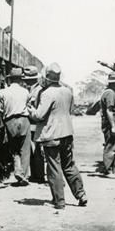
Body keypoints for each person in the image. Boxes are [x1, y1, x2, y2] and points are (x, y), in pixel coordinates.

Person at [31, 63, 87, 210]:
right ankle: (81, 194)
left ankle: (59, 201)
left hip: (52, 135)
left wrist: (30, 110)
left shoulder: (47, 93)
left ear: (47, 77)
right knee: (69, 165)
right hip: (67, 133)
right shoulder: (67, 91)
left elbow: (39, 115)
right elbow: (70, 110)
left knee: (54, 168)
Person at [0, 67, 31, 185]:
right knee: (25, 149)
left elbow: (0, 109)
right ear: (20, 80)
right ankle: (24, 175)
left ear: (10, 79)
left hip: (10, 121)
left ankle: (17, 169)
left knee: (14, 148)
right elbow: (28, 105)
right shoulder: (25, 92)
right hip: (24, 120)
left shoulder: (3, 92)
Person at [23, 66, 46, 184]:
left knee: (36, 151)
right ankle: (35, 175)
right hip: (32, 124)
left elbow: (38, 110)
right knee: (33, 151)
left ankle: (39, 176)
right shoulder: (33, 90)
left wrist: (27, 109)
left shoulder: (38, 91)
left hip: (35, 124)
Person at [100, 71, 115, 178]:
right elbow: (109, 111)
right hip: (111, 124)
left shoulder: (110, 93)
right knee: (111, 146)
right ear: (114, 84)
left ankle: (112, 170)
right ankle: (108, 171)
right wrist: (113, 126)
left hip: (114, 123)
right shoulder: (110, 94)